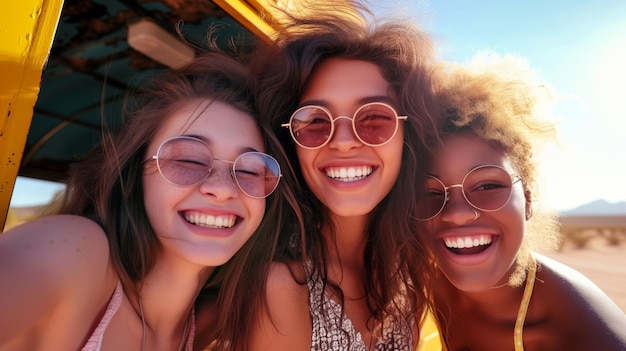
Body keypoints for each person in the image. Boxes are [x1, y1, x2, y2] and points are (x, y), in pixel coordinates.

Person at [0, 51, 296, 350]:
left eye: (249, 170)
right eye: (189, 161)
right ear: (136, 172)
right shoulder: (75, 253)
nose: (222, 189)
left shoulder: (214, 329)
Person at [247, 2, 440, 349]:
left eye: (374, 118)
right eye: (316, 121)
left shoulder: (408, 275)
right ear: (291, 143)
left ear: (406, 137)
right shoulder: (281, 283)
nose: (345, 142)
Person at [418, 53, 626, 350]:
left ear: (528, 199)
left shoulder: (585, 333)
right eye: (430, 193)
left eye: (488, 185)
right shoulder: (403, 289)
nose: (459, 213)